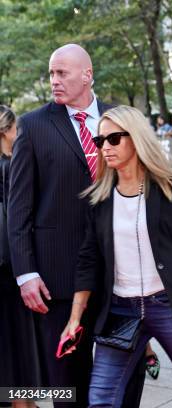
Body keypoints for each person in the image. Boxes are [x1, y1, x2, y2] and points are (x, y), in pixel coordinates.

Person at [61, 105, 172, 408]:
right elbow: (88, 260)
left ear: (137, 137)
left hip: (169, 306)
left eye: (114, 139)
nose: (105, 147)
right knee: (101, 399)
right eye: (99, 141)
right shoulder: (100, 197)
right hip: (121, 311)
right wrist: (75, 318)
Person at [7, 44, 145, 408]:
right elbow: (18, 207)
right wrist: (26, 274)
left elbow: (150, 187)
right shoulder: (34, 125)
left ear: (87, 74)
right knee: (68, 384)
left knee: (126, 377)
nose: (54, 80)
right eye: (51, 73)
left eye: (62, 73)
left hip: (123, 276)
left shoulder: (123, 118)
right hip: (59, 280)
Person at [0, 106, 40, 408]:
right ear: (6, 131)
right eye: (17, 130)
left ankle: (22, 399)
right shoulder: (12, 165)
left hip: (8, 263)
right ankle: (22, 401)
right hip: (13, 262)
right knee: (19, 335)